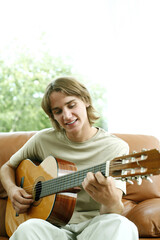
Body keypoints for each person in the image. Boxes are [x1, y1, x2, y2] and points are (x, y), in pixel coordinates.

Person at [0, 76, 139, 240]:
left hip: (94, 228)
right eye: (57, 111)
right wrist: (12, 189)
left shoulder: (116, 147)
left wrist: (110, 202)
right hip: (52, 227)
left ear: (86, 100)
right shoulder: (43, 140)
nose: (66, 116)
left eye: (71, 105)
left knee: (122, 225)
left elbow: (113, 212)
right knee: (27, 229)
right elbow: (7, 167)